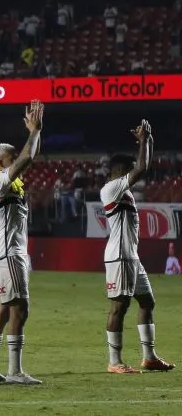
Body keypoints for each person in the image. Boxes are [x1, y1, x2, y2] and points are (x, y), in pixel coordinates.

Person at [0, 100, 44, 385]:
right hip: (8, 253)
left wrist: (35, 134)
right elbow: (27, 158)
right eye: (12, 156)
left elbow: (28, 157)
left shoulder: (8, 182)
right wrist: (35, 130)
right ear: (1, 162)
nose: (17, 158)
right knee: (21, 309)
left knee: (3, 311)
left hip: (9, 252)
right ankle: (15, 371)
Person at [101, 120, 175, 373]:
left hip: (131, 256)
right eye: (129, 170)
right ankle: (114, 362)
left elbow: (143, 166)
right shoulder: (111, 188)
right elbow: (142, 168)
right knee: (119, 306)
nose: (134, 175)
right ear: (121, 170)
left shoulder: (124, 191)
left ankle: (149, 357)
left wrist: (149, 140)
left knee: (147, 302)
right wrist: (145, 141)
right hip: (119, 256)